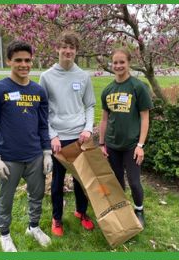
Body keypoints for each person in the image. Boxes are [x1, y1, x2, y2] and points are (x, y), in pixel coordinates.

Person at [0, 40, 52, 252]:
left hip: (34, 156)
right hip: (9, 158)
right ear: (9, 61)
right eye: (19, 60)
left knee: (37, 195)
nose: (24, 64)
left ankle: (34, 227)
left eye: (28, 60)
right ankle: (4, 234)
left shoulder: (38, 91)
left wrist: (47, 152)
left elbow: (43, 125)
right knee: (6, 198)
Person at [40, 31, 96, 236]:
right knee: (57, 182)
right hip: (58, 140)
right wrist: (52, 135)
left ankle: (81, 212)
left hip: (79, 137)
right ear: (57, 49)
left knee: (81, 180)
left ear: (76, 51)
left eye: (72, 47)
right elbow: (42, 110)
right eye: (64, 46)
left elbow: (90, 105)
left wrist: (88, 128)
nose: (68, 51)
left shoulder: (83, 76)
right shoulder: (46, 77)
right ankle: (57, 218)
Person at [100, 47, 152, 227]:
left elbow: (145, 117)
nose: (118, 65)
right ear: (111, 64)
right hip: (113, 144)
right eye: (115, 62)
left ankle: (139, 209)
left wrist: (140, 145)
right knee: (117, 181)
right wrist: (101, 144)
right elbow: (105, 119)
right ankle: (122, 209)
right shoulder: (107, 90)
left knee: (134, 182)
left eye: (122, 62)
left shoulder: (138, 87)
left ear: (129, 63)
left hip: (132, 145)